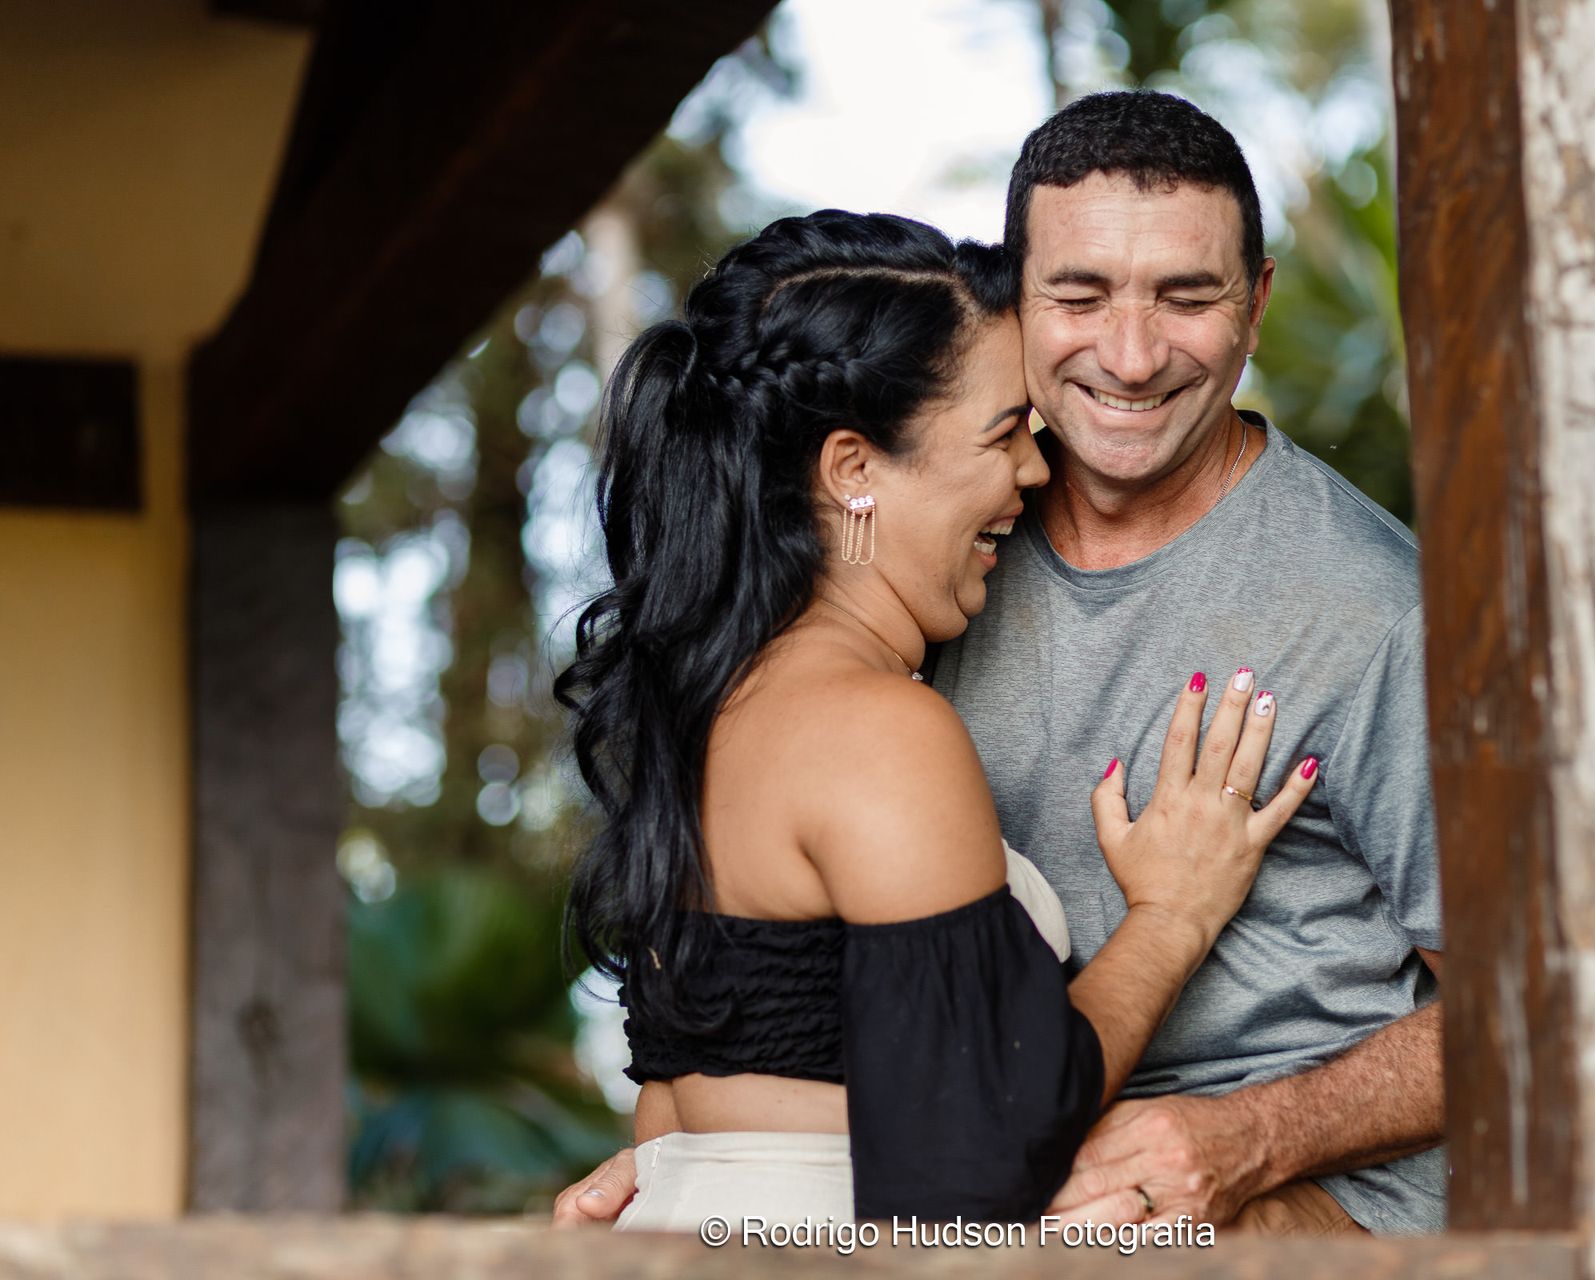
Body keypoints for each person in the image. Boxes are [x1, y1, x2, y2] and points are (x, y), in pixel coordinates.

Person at [557, 91, 1447, 1238]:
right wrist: (698, 1163)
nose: (1130, 356)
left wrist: (1251, 1136)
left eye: (1187, 296)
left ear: (1257, 303)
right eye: (1079, 296)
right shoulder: (926, 577)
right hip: (987, 1193)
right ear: (1018, 295)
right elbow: (807, 983)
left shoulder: (1371, 606)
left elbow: (1537, 1011)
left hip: (1277, 1193)